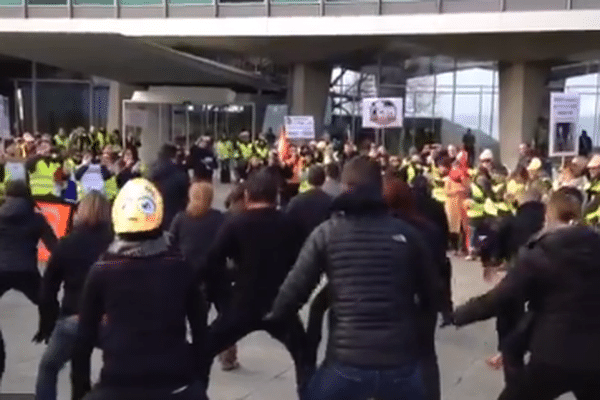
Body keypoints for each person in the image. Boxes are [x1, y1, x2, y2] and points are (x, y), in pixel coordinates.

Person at [269, 156, 442, 400]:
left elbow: (292, 294)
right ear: (378, 188)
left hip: (346, 364)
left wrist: (279, 321)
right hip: (400, 364)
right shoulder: (408, 234)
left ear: (344, 186)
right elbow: (432, 294)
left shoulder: (327, 233)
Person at [454, 188, 600, 400]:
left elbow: (501, 297)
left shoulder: (539, 253)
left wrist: (460, 314)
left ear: (548, 215)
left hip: (553, 353)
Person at [74, 178, 208, 400]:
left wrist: (80, 391)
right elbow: (201, 329)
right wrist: (200, 380)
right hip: (174, 380)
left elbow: (84, 339)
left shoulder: (103, 269)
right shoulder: (179, 266)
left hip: (118, 380)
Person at [199, 169, 309, 390]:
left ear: (247, 196)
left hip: (242, 302)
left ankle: (198, 392)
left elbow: (211, 263)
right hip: (280, 303)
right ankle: (308, 393)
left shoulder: (236, 224)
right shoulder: (290, 224)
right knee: (304, 356)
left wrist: (223, 293)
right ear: (276, 197)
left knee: (203, 351)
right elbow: (304, 266)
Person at [36, 192, 113, 400]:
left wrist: (48, 322)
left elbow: (48, 287)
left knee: (49, 368)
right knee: (121, 370)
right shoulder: (116, 244)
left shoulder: (68, 244)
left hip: (74, 315)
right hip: (108, 319)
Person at [382, 175, 451, 400]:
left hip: (390, 302)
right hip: (423, 300)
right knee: (426, 355)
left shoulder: (378, 229)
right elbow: (442, 264)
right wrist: (444, 301)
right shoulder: (428, 229)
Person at [0, 181, 58, 373]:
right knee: (48, 301)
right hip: (26, 270)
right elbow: (54, 247)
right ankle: (49, 333)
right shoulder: (37, 219)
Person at [148, 143, 190, 230]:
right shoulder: (180, 175)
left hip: (153, 219)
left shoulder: (150, 171)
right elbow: (187, 198)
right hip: (174, 218)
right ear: (174, 156)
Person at [286, 165, 333, 240]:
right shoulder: (331, 201)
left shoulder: (295, 202)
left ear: (308, 179)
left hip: (301, 244)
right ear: (324, 179)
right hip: (325, 243)